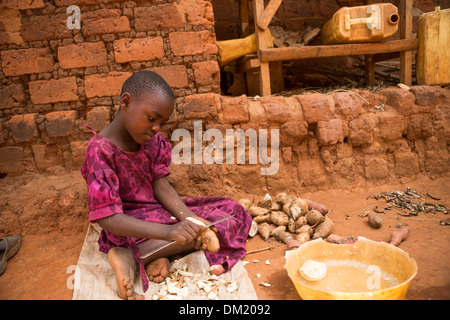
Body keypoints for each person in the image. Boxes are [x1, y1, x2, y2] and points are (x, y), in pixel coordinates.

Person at [81, 70, 252, 300]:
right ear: (126, 102)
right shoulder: (99, 152)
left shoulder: (153, 142)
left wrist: (188, 218)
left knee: (232, 213)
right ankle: (131, 253)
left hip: (157, 215)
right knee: (188, 236)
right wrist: (168, 231)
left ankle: (142, 256)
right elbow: (108, 218)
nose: (156, 128)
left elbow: (161, 186)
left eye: (161, 122)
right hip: (125, 226)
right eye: (152, 118)